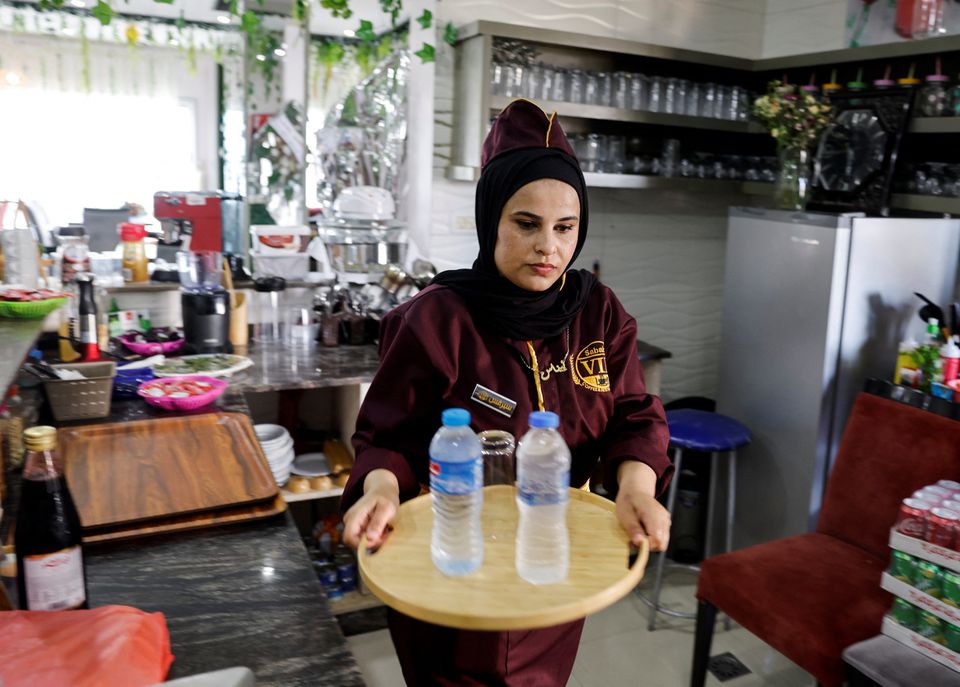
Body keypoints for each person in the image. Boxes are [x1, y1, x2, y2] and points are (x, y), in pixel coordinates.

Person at [340, 99, 673, 687]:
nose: (549, 246)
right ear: (491, 217)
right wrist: (382, 489)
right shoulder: (436, 320)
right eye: (527, 223)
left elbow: (632, 415)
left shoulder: (597, 313)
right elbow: (388, 436)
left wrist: (637, 487)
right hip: (453, 558)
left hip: (554, 557)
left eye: (565, 227)